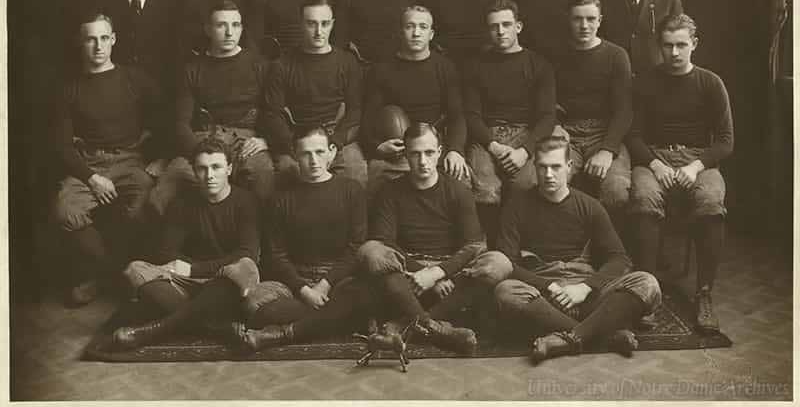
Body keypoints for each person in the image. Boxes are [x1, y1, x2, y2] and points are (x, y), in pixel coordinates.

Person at [494, 136, 662, 364]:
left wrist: (584, 288)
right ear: (534, 167)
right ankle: (605, 336)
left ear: (569, 167)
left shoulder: (590, 205)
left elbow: (619, 259)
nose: (549, 175)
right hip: (542, 296)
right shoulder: (517, 205)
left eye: (556, 167)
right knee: (505, 291)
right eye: (542, 167)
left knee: (647, 283)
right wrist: (549, 287)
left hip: (587, 294)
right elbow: (507, 263)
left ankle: (567, 338)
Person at [358, 123, 513, 355]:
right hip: (407, 271)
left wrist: (438, 273)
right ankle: (434, 328)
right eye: (415, 153)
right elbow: (385, 242)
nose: (423, 161)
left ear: (439, 152)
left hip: (448, 270)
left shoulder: (458, 191)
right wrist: (422, 272)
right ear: (406, 155)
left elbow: (473, 246)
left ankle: (402, 324)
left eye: (429, 153)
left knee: (499, 263)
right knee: (371, 251)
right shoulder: (390, 191)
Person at [627, 14, 733, 333]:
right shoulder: (645, 82)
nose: (674, 53)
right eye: (668, 46)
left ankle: (704, 294)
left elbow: (726, 140)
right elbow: (632, 134)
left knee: (712, 202)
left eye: (681, 45)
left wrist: (694, 166)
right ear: (660, 46)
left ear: (694, 45)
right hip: (654, 156)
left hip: (698, 160)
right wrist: (656, 164)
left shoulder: (711, 83)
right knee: (644, 198)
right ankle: (646, 293)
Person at [54, 13, 165, 305]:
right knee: (66, 209)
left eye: (104, 38)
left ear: (113, 40)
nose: (98, 46)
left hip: (130, 159)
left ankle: (111, 278)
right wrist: (91, 178)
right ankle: (112, 276)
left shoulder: (134, 78)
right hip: (89, 163)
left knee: (146, 198)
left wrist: (161, 159)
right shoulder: (69, 88)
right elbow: (62, 146)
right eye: (90, 39)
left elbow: (169, 117)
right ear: (81, 43)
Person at [112, 137, 261, 349]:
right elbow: (166, 252)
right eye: (202, 168)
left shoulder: (246, 201)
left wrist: (192, 268)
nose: (209, 175)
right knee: (135, 270)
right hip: (188, 283)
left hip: (225, 280)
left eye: (216, 167)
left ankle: (156, 329)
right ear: (193, 170)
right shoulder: (182, 203)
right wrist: (190, 273)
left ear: (229, 169)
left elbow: (247, 252)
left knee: (246, 268)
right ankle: (214, 326)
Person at [235, 127, 376, 349]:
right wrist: (304, 290)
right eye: (305, 154)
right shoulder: (281, 198)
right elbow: (276, 254)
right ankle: (334, 319)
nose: (313, 160)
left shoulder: (351, 190)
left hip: (337, 280)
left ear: (331, 152)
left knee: (366, 295)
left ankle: (284, 333)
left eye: (319, 152)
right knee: (251, 303)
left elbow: (355, 247)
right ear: (295, 155)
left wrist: (325, 284)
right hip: (293, 281)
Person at [149, 0, 273, 215]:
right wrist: (200, 152)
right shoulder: (192, 69)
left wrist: (265, 140)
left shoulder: (260, 64)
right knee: (164, 191)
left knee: (263, 175)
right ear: (207, 29)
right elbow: (181, 123)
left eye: (235, 25)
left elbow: (273, 111)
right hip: (204, 138)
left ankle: (256, 244)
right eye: (221, 25)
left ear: (242, 28)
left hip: (247, 140)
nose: (229, 32)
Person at [463, 0, 556, 247]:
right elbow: (471, 115)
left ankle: (519, 251)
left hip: (525, 136)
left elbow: (547, 116)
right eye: (494, 26)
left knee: (526, 188)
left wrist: (525, 151)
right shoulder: (475, 66)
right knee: (486, 191)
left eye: (506, 24)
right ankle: (488, 251)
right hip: (487, 138)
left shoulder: (539, 65)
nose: (500, 31)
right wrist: (492, 145)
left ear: (519, 26)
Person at [362, 5, 469, 195]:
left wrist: (455, 150)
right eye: (410, 26)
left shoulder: (445, 68)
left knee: (462, 181)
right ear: (400, 31)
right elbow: (368, 118)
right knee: (377, 182)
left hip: (433, 145)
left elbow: (457, 116)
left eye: (423, 27)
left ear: (431, 33)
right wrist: (377, 146)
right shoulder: (382, 70)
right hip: (398, 148)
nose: (416, 33)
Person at [264, 0, 367, 187]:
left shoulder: (347, 62)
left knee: (355, 172)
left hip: (334, 137)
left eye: (325, 24)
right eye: (312, 24)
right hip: (297, 139)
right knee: (288, 173)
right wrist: (292, 145)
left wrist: (335, 142)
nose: (319, 31)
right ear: (300, 25)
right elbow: (273, 114)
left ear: (332, 24)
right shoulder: (281, 65)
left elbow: (355, 111)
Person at [553, 0, 633, 235]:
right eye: (578, 19)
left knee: (616, 189)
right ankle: (564, 250)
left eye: (590, 19)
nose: (584, 25)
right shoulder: (555, 54)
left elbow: (624, 110)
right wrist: (555, 125)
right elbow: (546, 101)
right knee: (545, 182)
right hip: (566, 133)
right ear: (569, 20)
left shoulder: (616, 56)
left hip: (605, 132)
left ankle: (609, 251)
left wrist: (608, 150)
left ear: (600, 20)